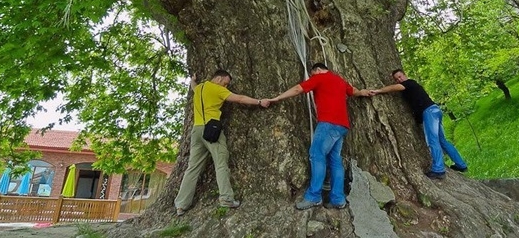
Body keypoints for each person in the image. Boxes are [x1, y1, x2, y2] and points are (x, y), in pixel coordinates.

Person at [269, 63, 370, 210]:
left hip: (328, 124)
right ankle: (338, 199)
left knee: (316, 155)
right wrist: (362, 92)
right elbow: (353, 90)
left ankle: (314, 196)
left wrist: (277, 98)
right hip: (342, 126)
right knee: (335, 161)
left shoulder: (319, 78)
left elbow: (298, 89)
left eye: (312, 74)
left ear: (316, 71)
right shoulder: (339, 80)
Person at [174, 70, 270, 216]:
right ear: (218, 79)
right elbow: (239, 98)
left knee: (192, 168)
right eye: (225, 83)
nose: (226, 87)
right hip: (211, 130)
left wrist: (193, 80)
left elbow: (193, 86)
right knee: (221, 164)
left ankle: (181, 205)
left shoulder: (199, 88)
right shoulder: (218, 89)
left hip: (196, 130)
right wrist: (258, 102)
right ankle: (226, 198)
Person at [370, 69, 467, 179]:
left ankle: (439, 170)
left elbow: (394, 88)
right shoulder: (410, 87)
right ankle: (461, 165)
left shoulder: (409, 83)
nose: (399, 80)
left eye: (400, 76)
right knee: (442, 141)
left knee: (432, 140)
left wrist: (378, 91)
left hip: (430, 112)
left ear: (405, 75)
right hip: (434, 110)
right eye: (396, 79)